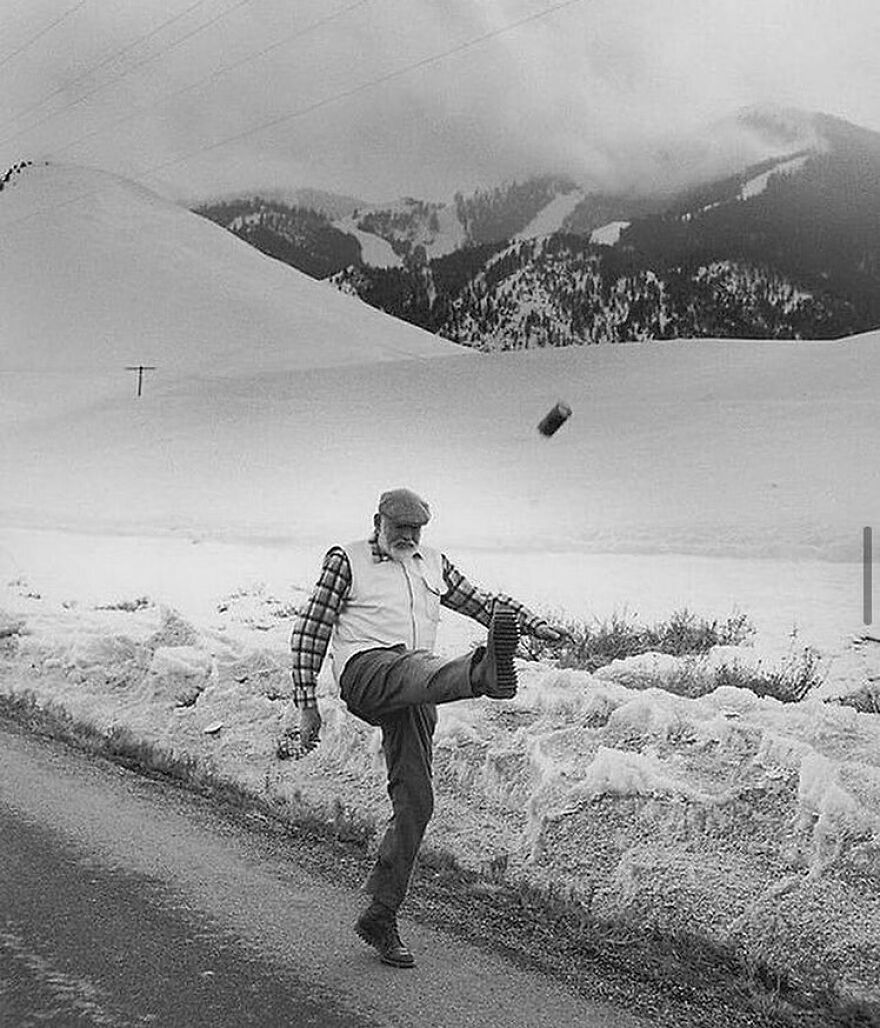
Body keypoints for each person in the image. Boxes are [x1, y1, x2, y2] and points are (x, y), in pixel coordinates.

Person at [281, 487, 568, 969]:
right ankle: (484, 674)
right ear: (378, 521)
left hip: (416, 688)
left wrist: (533, 623)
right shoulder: (346, 560)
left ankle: (380, 914)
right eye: (400, 529)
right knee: (416, 668)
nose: (409, 538)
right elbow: (312, 628)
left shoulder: (432, 561)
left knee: (417, 800)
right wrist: (306, 704)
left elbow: (482, 601)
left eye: (416, 531)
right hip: (368, 672)